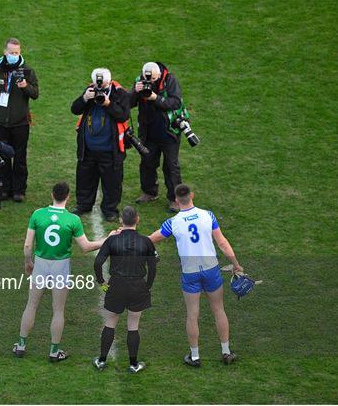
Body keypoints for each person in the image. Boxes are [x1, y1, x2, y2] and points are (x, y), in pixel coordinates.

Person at [13, 182, 116, 362]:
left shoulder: (38, 214)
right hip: (61, 267)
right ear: (68, 197)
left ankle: (21, 345)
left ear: (52, 194)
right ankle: (54, 351)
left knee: (31, 305)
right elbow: (85, 247)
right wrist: (107, 239)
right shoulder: (72, 220)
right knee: (58, 310)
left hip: (41, 265)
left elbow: (28, 245)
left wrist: (28, 262)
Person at [149, 184, 243, 366]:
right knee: (218, 309)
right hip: (211, 270)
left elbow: (152, 239)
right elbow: (222, 243)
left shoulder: (172, 223)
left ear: (176, 200)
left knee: (192, 314)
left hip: (190, 273)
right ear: (192, 195)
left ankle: (195, 356)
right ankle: (226, 352)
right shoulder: (208, 215)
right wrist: (236, 264)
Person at [93, 206, 158, 373]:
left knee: (110, 323)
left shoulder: (112, 240)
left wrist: (102, 283)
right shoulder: (146, 241)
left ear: (121, 220)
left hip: (116, 286)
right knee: (133, 325)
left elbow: (98, 263)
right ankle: (133, 364)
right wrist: (148, 286)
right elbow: (153, 267)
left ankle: (101, 361)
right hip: (138, 286)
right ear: (137, 219)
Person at [70, 68, 130, 222]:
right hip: (88, 148)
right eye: (98, 86)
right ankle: (83, 205)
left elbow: (123, 115)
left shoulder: (120, 94)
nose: (100, 89)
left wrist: (108, 103)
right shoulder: (90, 90)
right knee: (84, 178)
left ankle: (110, 209)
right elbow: (75, 109)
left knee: (112, 182)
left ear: (109, 82)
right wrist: (85, 98)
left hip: (110, 149)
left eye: (102, 86)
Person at [0, 37, 39, 202]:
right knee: (2, 156)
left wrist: (26, 87)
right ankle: (4, 188)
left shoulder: (27, 71)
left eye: (17, 52)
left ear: (20, 52)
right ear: (5, 52)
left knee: (20, 157)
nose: (14, 55)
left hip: (21, 123)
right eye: (11, 52)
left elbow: (35, 93)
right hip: (1, 123)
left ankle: (19, 190)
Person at [130, 62, 184, 212]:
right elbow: (128, 103)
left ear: (159, 75)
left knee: (171, 166)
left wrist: (156, 98)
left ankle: (175, 199)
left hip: (169, 132)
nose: (150, 82)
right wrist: (135, 91)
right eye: (148, 79)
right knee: (147, 162)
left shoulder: (170, 80)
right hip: (148, 132)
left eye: (153, 79)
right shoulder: (140, 80)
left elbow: (175, 102)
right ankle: (149, 192)